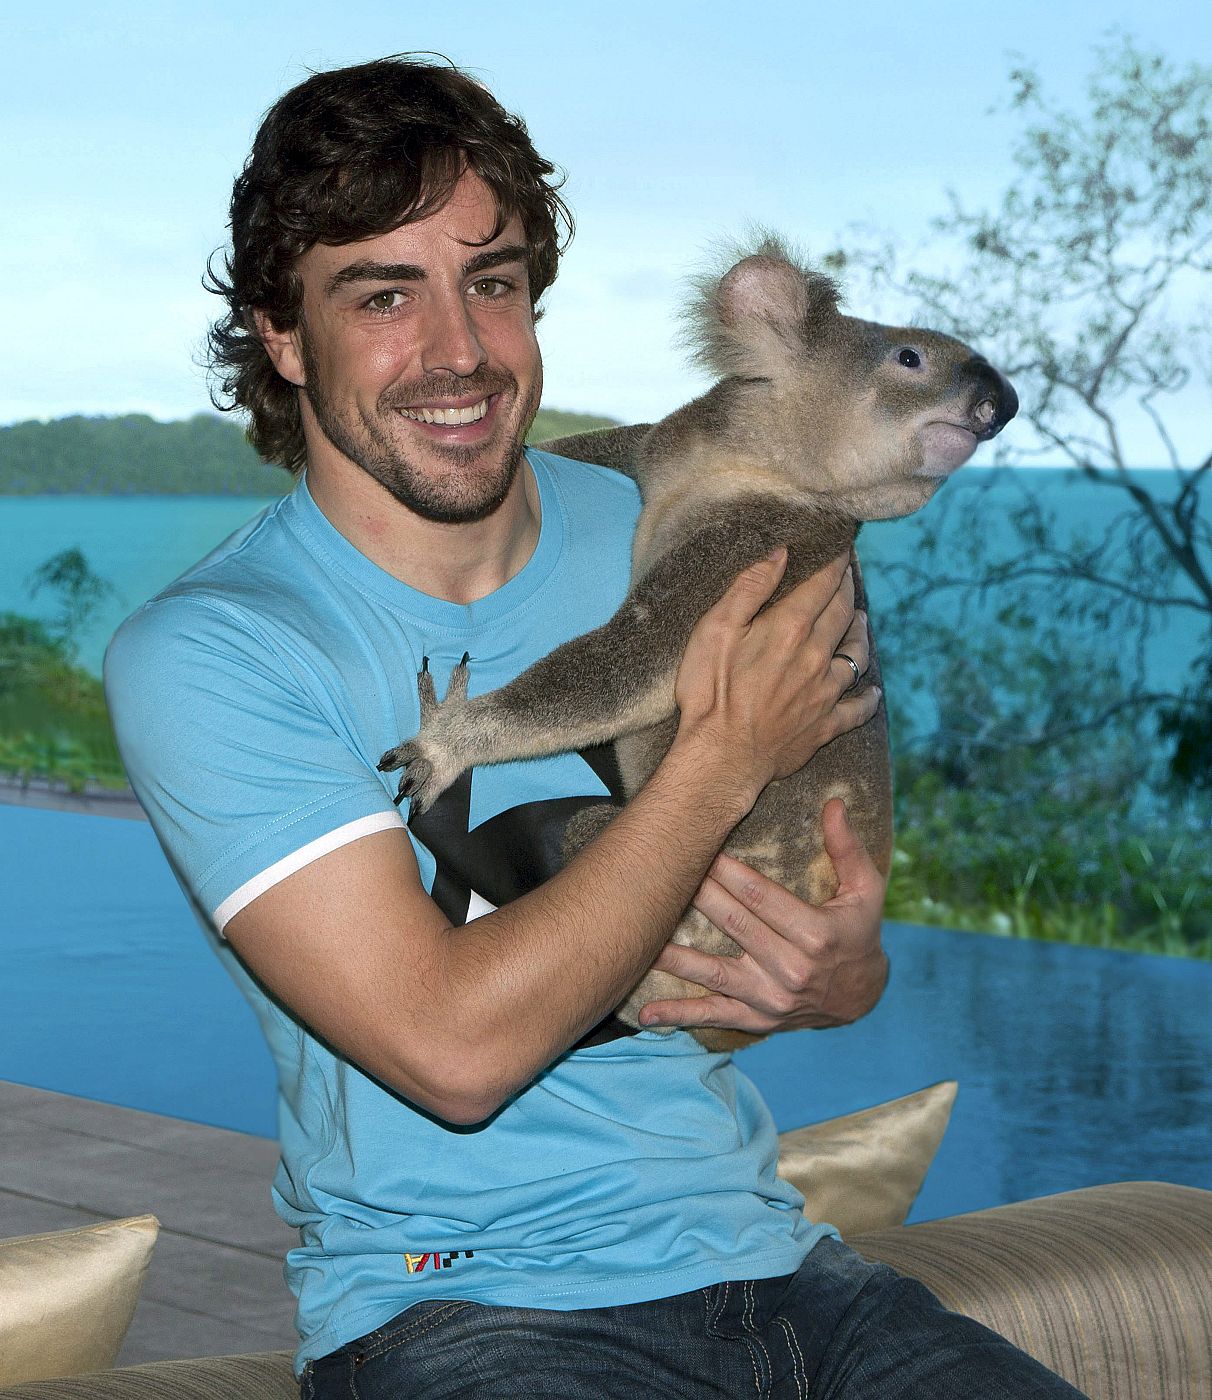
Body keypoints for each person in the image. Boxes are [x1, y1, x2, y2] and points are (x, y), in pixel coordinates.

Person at [104, 55, 1086, 1399]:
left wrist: (843, 972)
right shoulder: (212, 650)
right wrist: (721, 757)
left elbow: (825, 833)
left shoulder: (681, 505)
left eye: (492, 282)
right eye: (386, 294)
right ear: (283, 335)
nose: (459, 349)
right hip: (464, 1314)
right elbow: (453, 1056)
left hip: (784, 1269)